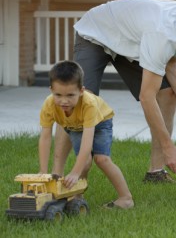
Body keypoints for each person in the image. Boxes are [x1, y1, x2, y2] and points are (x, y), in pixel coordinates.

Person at [52, 0, 176, 184]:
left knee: (168, 93)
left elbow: (169, 60)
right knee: (75, 102)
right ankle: (55, 176)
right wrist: (169, 146)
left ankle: (156, 172)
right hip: (97, 32)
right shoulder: (163, 34)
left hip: (128, 42)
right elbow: (146, 97)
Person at [39, 61, 134, 209]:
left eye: (70, 95)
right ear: (51, 90)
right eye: (58, 95)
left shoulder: (88, 104)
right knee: (85, 161)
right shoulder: (49, 104)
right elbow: (45, 137)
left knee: (101, 159)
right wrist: (43, 172)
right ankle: (77, 196)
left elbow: (87, 140)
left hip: (101, 122)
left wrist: (75, 173)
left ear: (81, 91)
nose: (64, 101)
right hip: (75, 127)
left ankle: (126, 198)